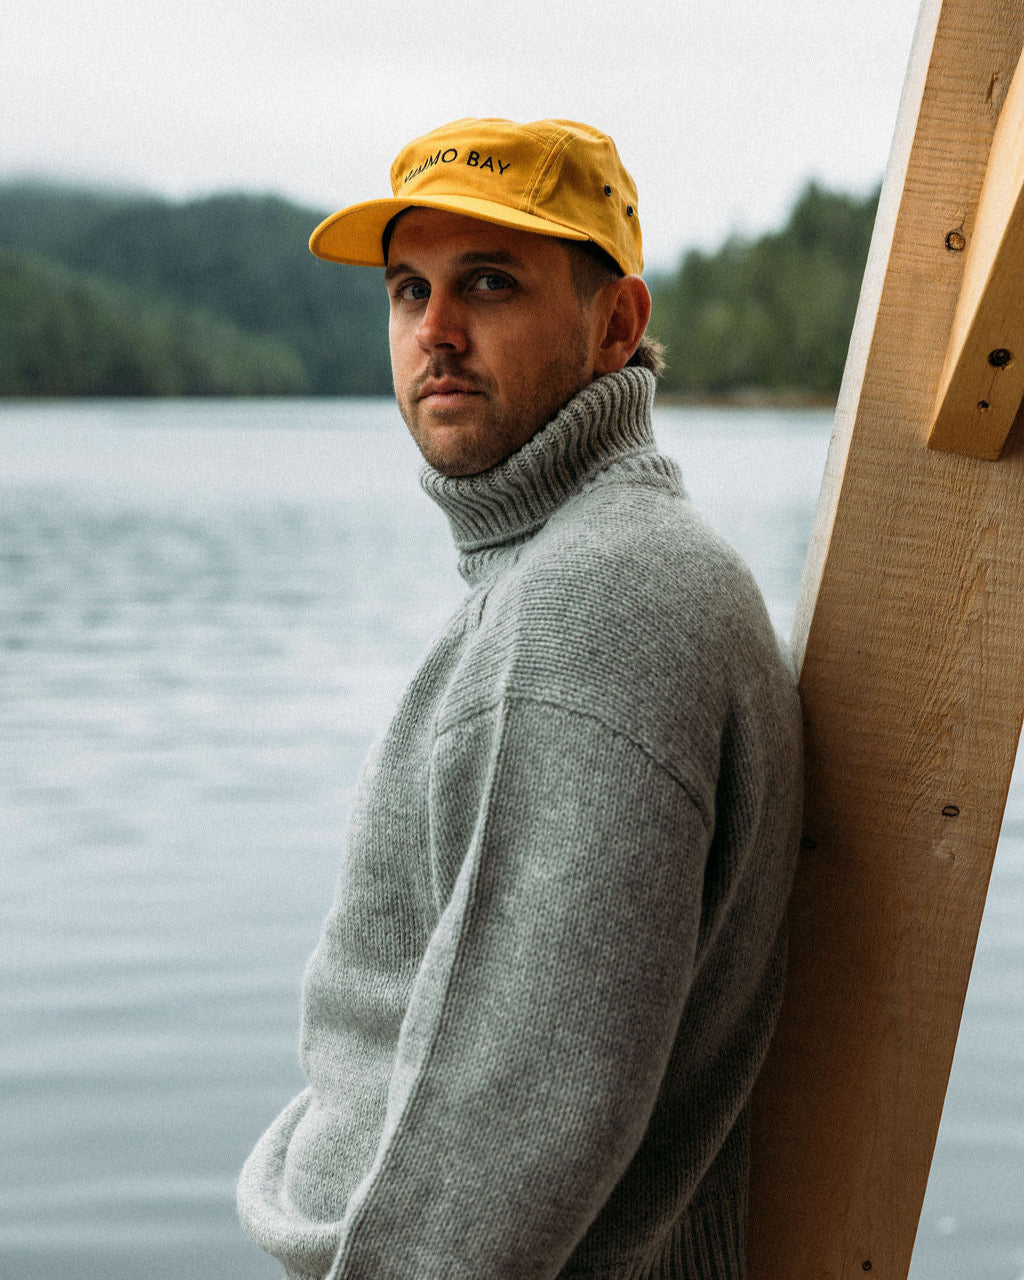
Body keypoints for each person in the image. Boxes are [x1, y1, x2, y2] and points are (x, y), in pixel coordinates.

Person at [237, 117, 803, 1280]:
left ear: (617, 324)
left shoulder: (594, 607)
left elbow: (517, 1109)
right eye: (407, 291)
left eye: (488, 284)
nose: (434, 332)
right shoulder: (576, 567)